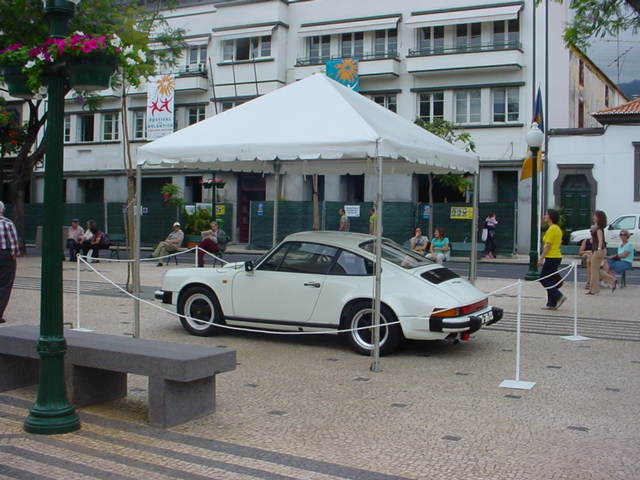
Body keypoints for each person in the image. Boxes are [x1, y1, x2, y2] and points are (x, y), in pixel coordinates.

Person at [537, 209, 566, 310]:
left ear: (550, 217)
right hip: (556, 256)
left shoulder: (552, 229)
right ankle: (551, 303)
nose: (544, 216)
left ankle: (558, 296)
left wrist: (541, 258)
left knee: (543, 278)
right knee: (550, 279)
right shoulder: (557, 228)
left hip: (552, 257)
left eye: (546, 215)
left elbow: (547, 245)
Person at [587, 210, 616, 295]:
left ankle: (594, 290)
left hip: (599, 250)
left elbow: (600, 240)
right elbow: (594, 239)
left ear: (598, 218)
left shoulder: (599, 228)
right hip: (596, 249)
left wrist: (599, 249)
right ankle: (612, 280)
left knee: (594, 270)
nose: (593, 217)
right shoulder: (596, 227)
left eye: (595, 216)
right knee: (595, 269)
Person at [0, 201, 19, 324]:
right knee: (4, 284)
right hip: (4, 254)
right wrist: (14, 255)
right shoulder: (7, 223)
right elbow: (13, 242)